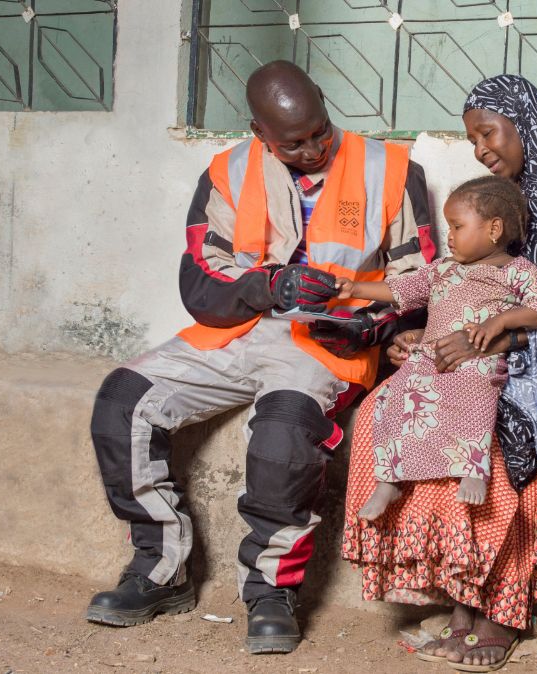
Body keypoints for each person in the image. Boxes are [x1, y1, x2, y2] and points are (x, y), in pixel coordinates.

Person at [84, 60, 434, 655]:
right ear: (259, 131)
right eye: (291, 144)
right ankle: (160, 568)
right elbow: (200, 285)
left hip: (326, 342)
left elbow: (422, 283)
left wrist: (371, 330)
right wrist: (266, 287)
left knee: (281, 436)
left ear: (324, 104)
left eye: (320, 132)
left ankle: (271, 589)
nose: (312, 149)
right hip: (238, 330)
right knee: (121, 403)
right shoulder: (228, 172)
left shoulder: (394, 170)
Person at [340, 74, 537, 672]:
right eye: (472, 139)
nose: (481, 149)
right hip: (480, 354)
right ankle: (457, 596)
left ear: (527, 122)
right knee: (380, 410)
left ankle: (499, 610)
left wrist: (485, 347)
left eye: (489, 133)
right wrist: (420, 339)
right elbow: (451, 288)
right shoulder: (499, 201)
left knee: (490, 436)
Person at [337, 175, 537, 522]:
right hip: (429, 356)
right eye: (449, 227)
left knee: (477, 390)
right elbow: (399, 290)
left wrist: (500, 322)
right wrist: (354, 288)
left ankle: (473, 466)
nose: (449, 236)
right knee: (392, 396)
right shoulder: (441, 269)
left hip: (478, 359)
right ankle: (389, 478)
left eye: (457, 226)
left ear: (494, 229)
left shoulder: (516, 272)